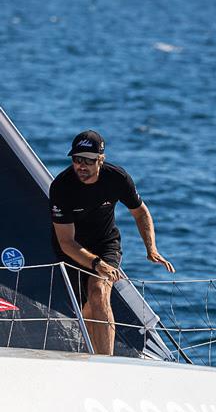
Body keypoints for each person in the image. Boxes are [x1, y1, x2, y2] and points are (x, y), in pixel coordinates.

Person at [50, 129, 175, 356]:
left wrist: (151, 248)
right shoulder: (62, 187)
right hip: (72, 249)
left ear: (101, 159)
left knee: (98, 291)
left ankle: (105, 363)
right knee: (86, 309)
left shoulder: (117, 178)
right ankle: (93, 357)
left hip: (106, 243)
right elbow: (66, 242)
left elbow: (141, 213)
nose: (81, 166)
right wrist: (95, 263)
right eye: (77, 159)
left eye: (88, 160)